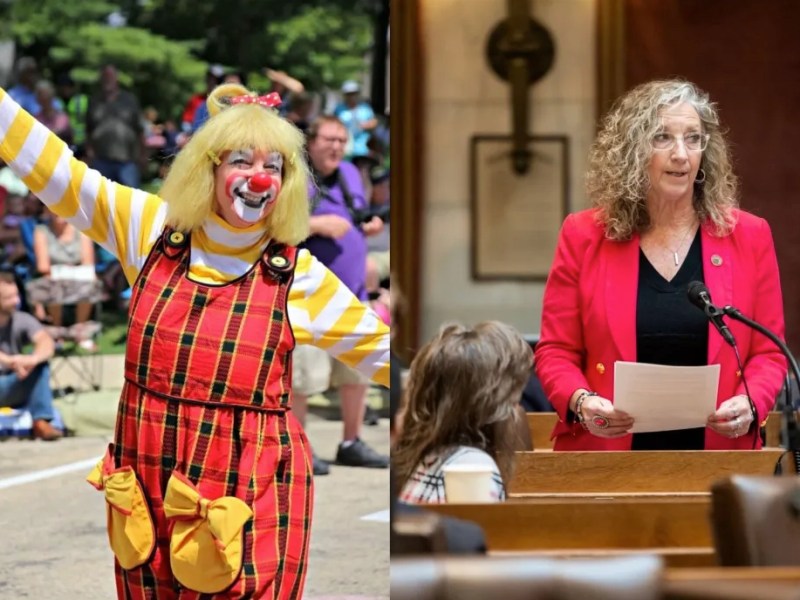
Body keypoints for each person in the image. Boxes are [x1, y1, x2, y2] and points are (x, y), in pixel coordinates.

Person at [0, 81, 389, 598]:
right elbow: (59, 173)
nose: (258, 178)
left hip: (247, 489)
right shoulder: (149, 228)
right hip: (150, 475)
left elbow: (384, 353)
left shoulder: (299, 275)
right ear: (206, 169)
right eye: (241, 162)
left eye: (274, 167)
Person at [534, 79, 787, 452]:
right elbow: (556, 350)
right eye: (662, 138)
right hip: (606, 456)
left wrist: (752, 402)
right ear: (632, 151)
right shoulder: (584, 234)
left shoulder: (749, 235)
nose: (681, 154)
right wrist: (583, 402)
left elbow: (768, 352)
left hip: (718, 455)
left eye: (693, 138)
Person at [293, 115, 388, 475]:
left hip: (353, 296)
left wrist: (369, 226)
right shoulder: (295, 175)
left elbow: (357, 215)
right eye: (328, 139)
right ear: (311, 143)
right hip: (309, 299)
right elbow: (275, 227)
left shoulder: (349, 173)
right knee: (302, 379)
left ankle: (351, 442)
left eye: (341, 140)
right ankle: (299, 447)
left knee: (356, 375)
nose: (335, 146)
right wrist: (317, 225)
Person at [393, 321, 532, 504]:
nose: (517, 410)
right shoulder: (473, 468)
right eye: (513, 401)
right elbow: (479, 530)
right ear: (495, 407)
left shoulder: (432, 456)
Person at [0, 271, 61, 441]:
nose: (16, 301)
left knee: (40, 365)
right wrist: (11, 361)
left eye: (16, 295)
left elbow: (45, 341)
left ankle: (41, 422)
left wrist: (31, 360)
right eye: (9, 297)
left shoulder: (20, 319)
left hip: (12, 385)